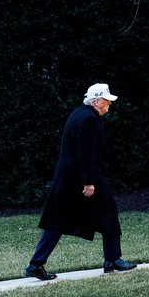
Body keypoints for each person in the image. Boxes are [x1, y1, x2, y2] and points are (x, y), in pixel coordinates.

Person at [24, 83, 137, 280]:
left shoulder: (80, 113)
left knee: (59, 219)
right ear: (96, 101)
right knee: (107, 212)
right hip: (82, 177)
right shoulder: (89, 119)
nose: (109, 105)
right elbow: (85, 153)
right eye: (107, 101)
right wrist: (89, 182)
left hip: (70, 177)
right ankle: (112, 259)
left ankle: (36, 264)